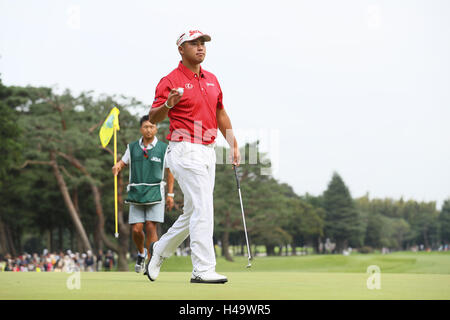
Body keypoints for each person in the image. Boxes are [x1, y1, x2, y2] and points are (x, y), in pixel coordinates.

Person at [147, 29, 240, 284]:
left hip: (208, 151)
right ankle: (202, 268)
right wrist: (168, 104)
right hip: (184, 148)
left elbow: (220, 113)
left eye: (203, 44)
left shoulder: (212, 79)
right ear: (181, 49)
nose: (200, 48)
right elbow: (152, 117)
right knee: (203, 207)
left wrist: (232, 143)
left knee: (193, 212)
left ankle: (160, 249)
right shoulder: (169, 80)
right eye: (194, 44)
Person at [112, 115, 175, 273]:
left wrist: (170, 195)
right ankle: (141, 253)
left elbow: (170, 171)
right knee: (136, 229)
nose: (149, 129)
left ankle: (151, 262)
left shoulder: (163, 148)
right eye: (146, 127)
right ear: (141, 129)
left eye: (152, 127)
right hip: (137, 193)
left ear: (156, 129)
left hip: (156, 192)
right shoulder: (132, 147)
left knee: (150, 226)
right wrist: (117, 166)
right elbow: (123, 162)